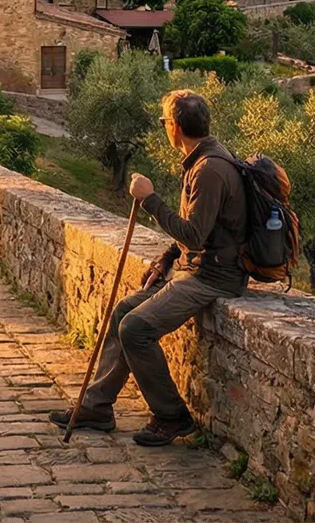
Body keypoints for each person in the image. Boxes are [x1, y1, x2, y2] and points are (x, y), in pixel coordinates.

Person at [49, 88, 247, 446]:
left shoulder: (210, 170)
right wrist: (167, 257)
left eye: (164, 122)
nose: (164, 128)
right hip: (197, 267)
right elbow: (199, 228)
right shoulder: (204, 161)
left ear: (174, 127)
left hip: (214, 276)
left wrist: (150, 200)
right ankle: (97, 406)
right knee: (124, 309)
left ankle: (172, 416)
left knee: (136, 327)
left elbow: (196, 236)